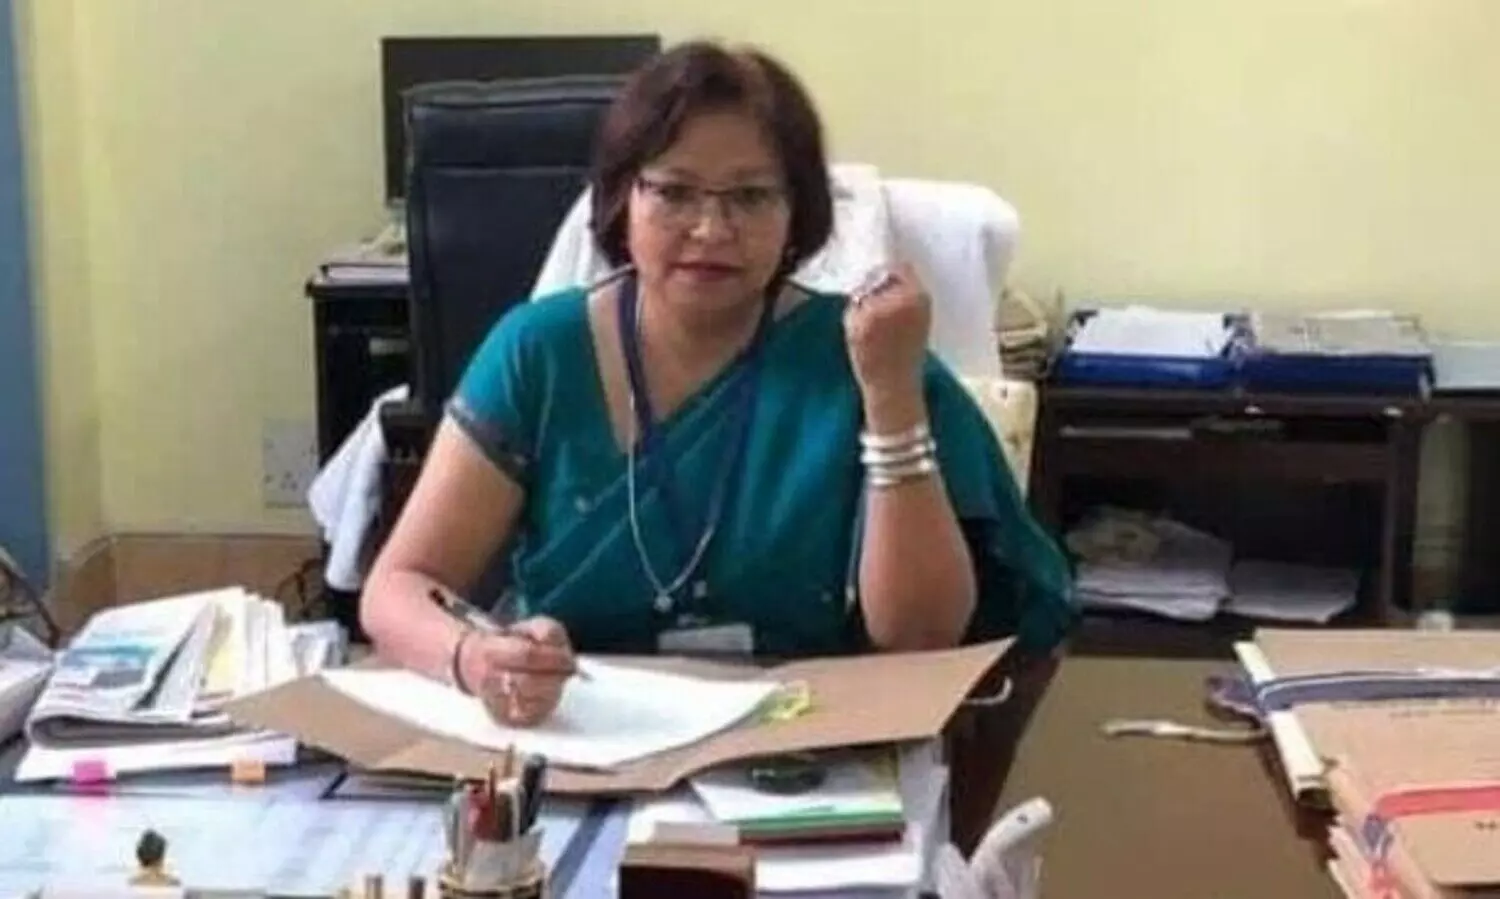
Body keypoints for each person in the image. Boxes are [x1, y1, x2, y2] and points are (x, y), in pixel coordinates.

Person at [359, 39, 1075, 728]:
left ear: (798, 213)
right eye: (674, 192)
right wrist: (477, 658)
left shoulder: (863, 352)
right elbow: (398, 587)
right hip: (581, 735)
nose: (710, 229)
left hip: (806, 745)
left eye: (751, 197)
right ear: (621, 199)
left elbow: (918, 636)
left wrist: (890, 397)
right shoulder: (538, 351)